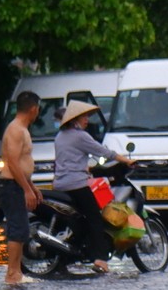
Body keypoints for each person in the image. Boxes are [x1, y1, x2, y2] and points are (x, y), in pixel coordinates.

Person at [53, 99, 131, 274]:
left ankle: (65, 259)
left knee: (76, 219)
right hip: (76, 185)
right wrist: (126, 160)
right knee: (95, 218)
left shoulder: (60, 136)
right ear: (74, 119)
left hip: (60, 184)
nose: (87, 120)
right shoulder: (80, 136)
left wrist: (84, 167)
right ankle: (101, 259)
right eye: (83, 117)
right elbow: (104, 152)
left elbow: (68, 159)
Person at [0, 91, 42, 285]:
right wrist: (26, 189)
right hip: (11, 184)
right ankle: (12, 274)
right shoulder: (16, 129)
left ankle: (15, 272)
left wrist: (32, 186)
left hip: (18, 183)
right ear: (33, 109)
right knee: (17, 228)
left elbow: (22, 163)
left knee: (22, 229)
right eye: (38, 109)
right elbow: (13, 163)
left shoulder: (22, 129)